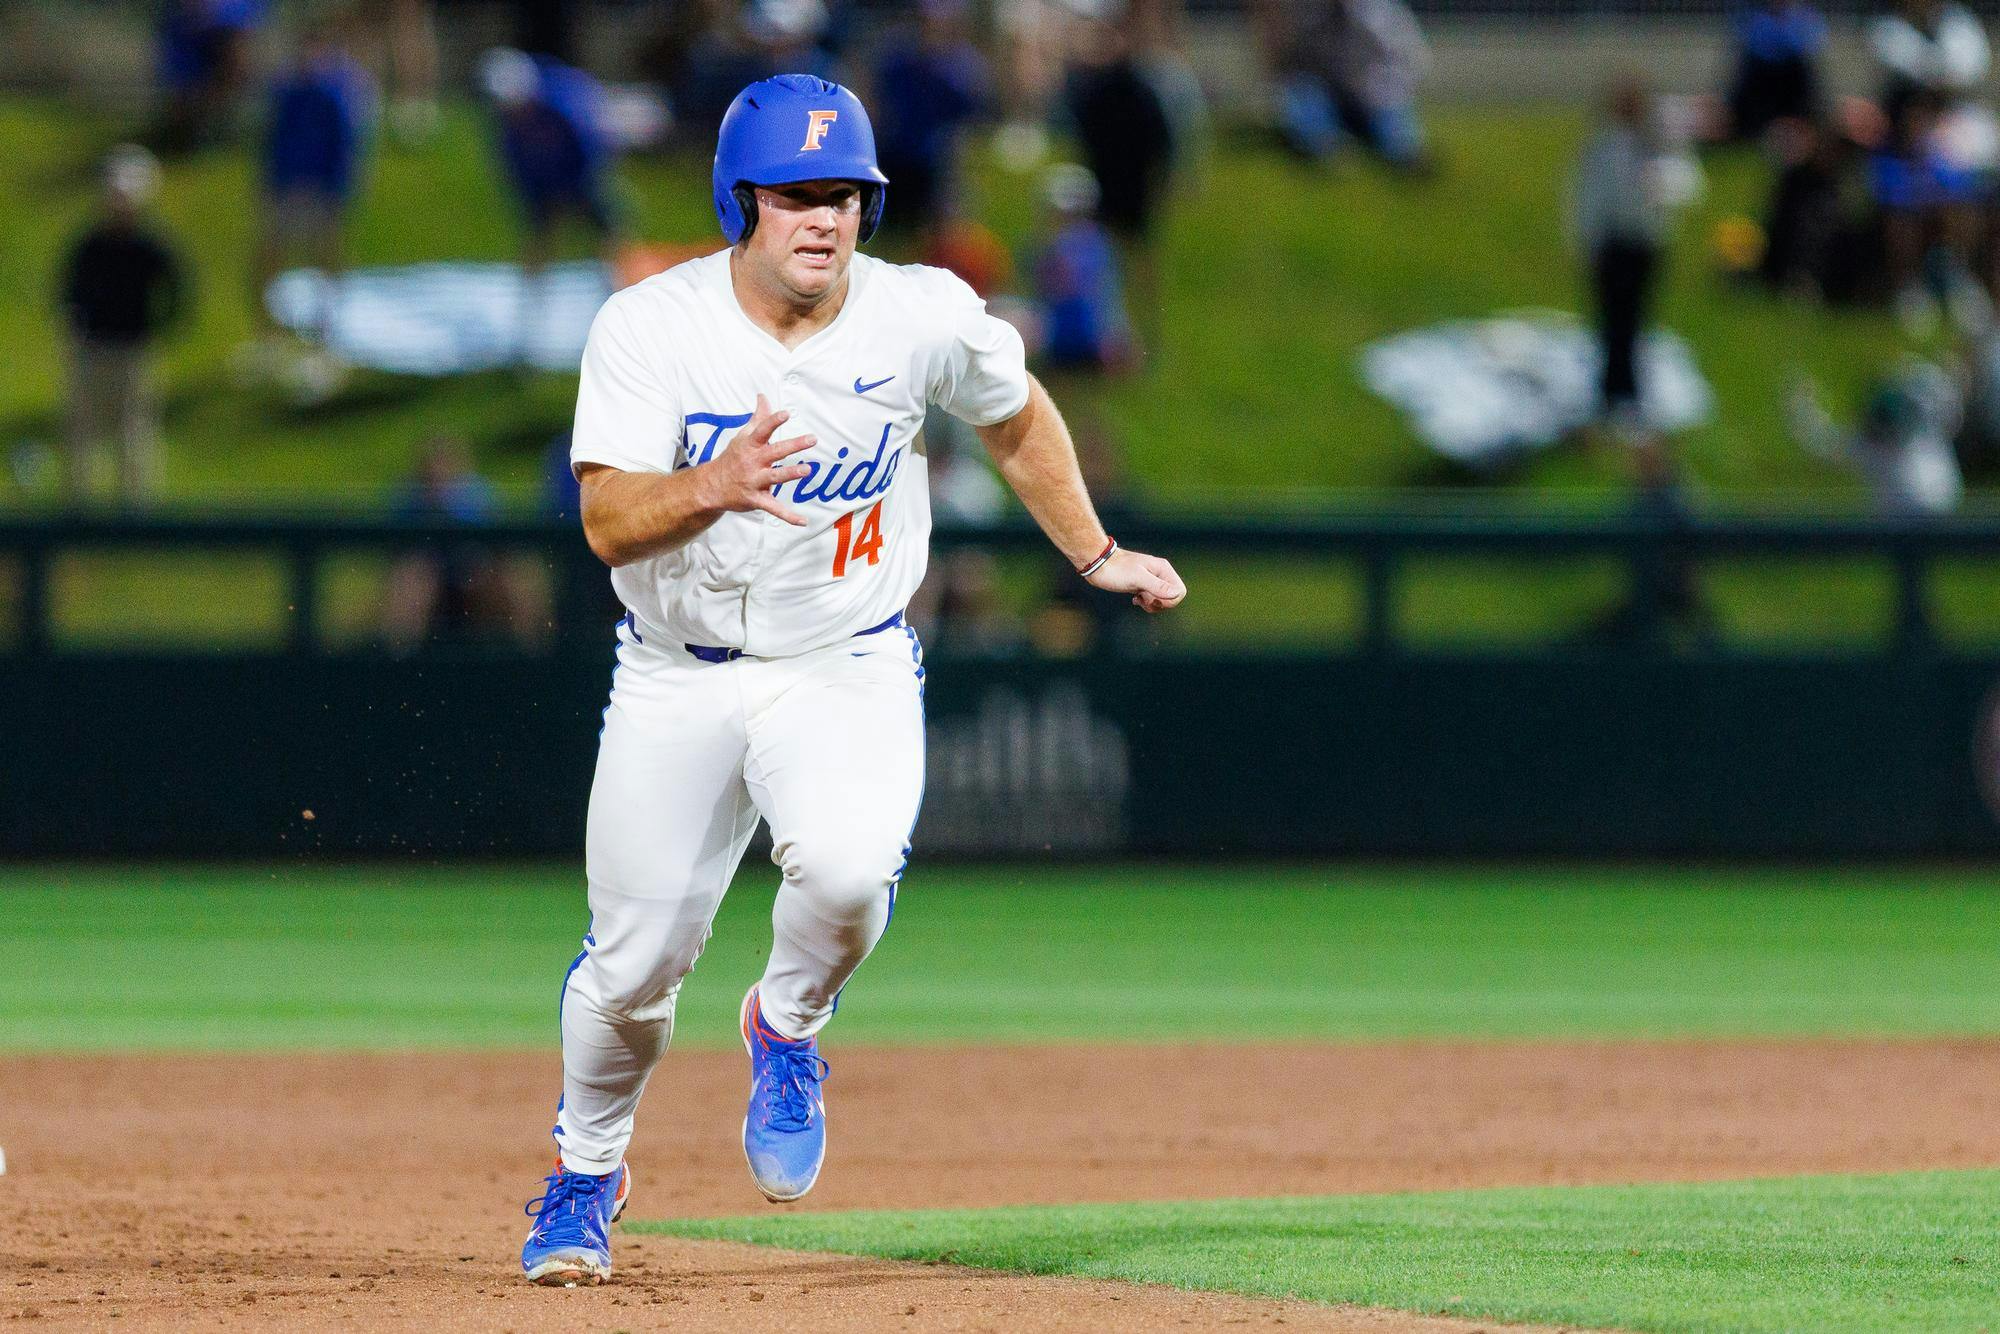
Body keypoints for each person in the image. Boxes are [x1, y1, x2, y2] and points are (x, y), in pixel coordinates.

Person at [518, 73, 1186, 1287]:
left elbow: (1016, 410)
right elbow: (608, 520)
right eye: (796, 195)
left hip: (843, 658)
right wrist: (709, 484)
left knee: (843, 876)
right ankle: (585, 1171)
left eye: (845, 194)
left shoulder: (915, 313)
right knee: (631, 968)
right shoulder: (650, 327)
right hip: (674, 671)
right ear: (741, 201)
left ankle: (786, 1023)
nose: (824, 218)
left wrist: (1091, 549)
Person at [57, 144, 188, 504]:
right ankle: (78, 505)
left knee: (133, 430)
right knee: (82, 428)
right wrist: (73, 331)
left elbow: (178, 290)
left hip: (132, 349)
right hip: (92, 347)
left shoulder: (149, 246)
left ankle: (134, 507)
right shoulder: (90, 245)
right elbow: (69, 291)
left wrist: (157, 328)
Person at [248, 18, 375, 383]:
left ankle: (325, 337)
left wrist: (339, 191)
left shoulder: (337, 93)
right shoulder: (286, 90)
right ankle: (268, 336)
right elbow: (272, 141)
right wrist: (270, 184)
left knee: (324, 259)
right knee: (269, 257)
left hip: (322, 190)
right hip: (286, 187)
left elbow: (347, 148)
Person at [1574, 77, 1673, 427]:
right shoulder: (1604, 147)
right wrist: (1587, 241)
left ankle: (1628, 389)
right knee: (1611, 321)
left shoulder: (1654, 145)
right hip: (1614, 244)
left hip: (1643, 245)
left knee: (1634, 320)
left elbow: (1676, 187)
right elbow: (1590, 199)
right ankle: (1610, 389)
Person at [1723, 0, 1827, 141]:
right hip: (1761, 76)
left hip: (1791, 76)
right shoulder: (1753, 18)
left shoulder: (1803, 17)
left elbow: (1810, 43)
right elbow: (1754, 43)